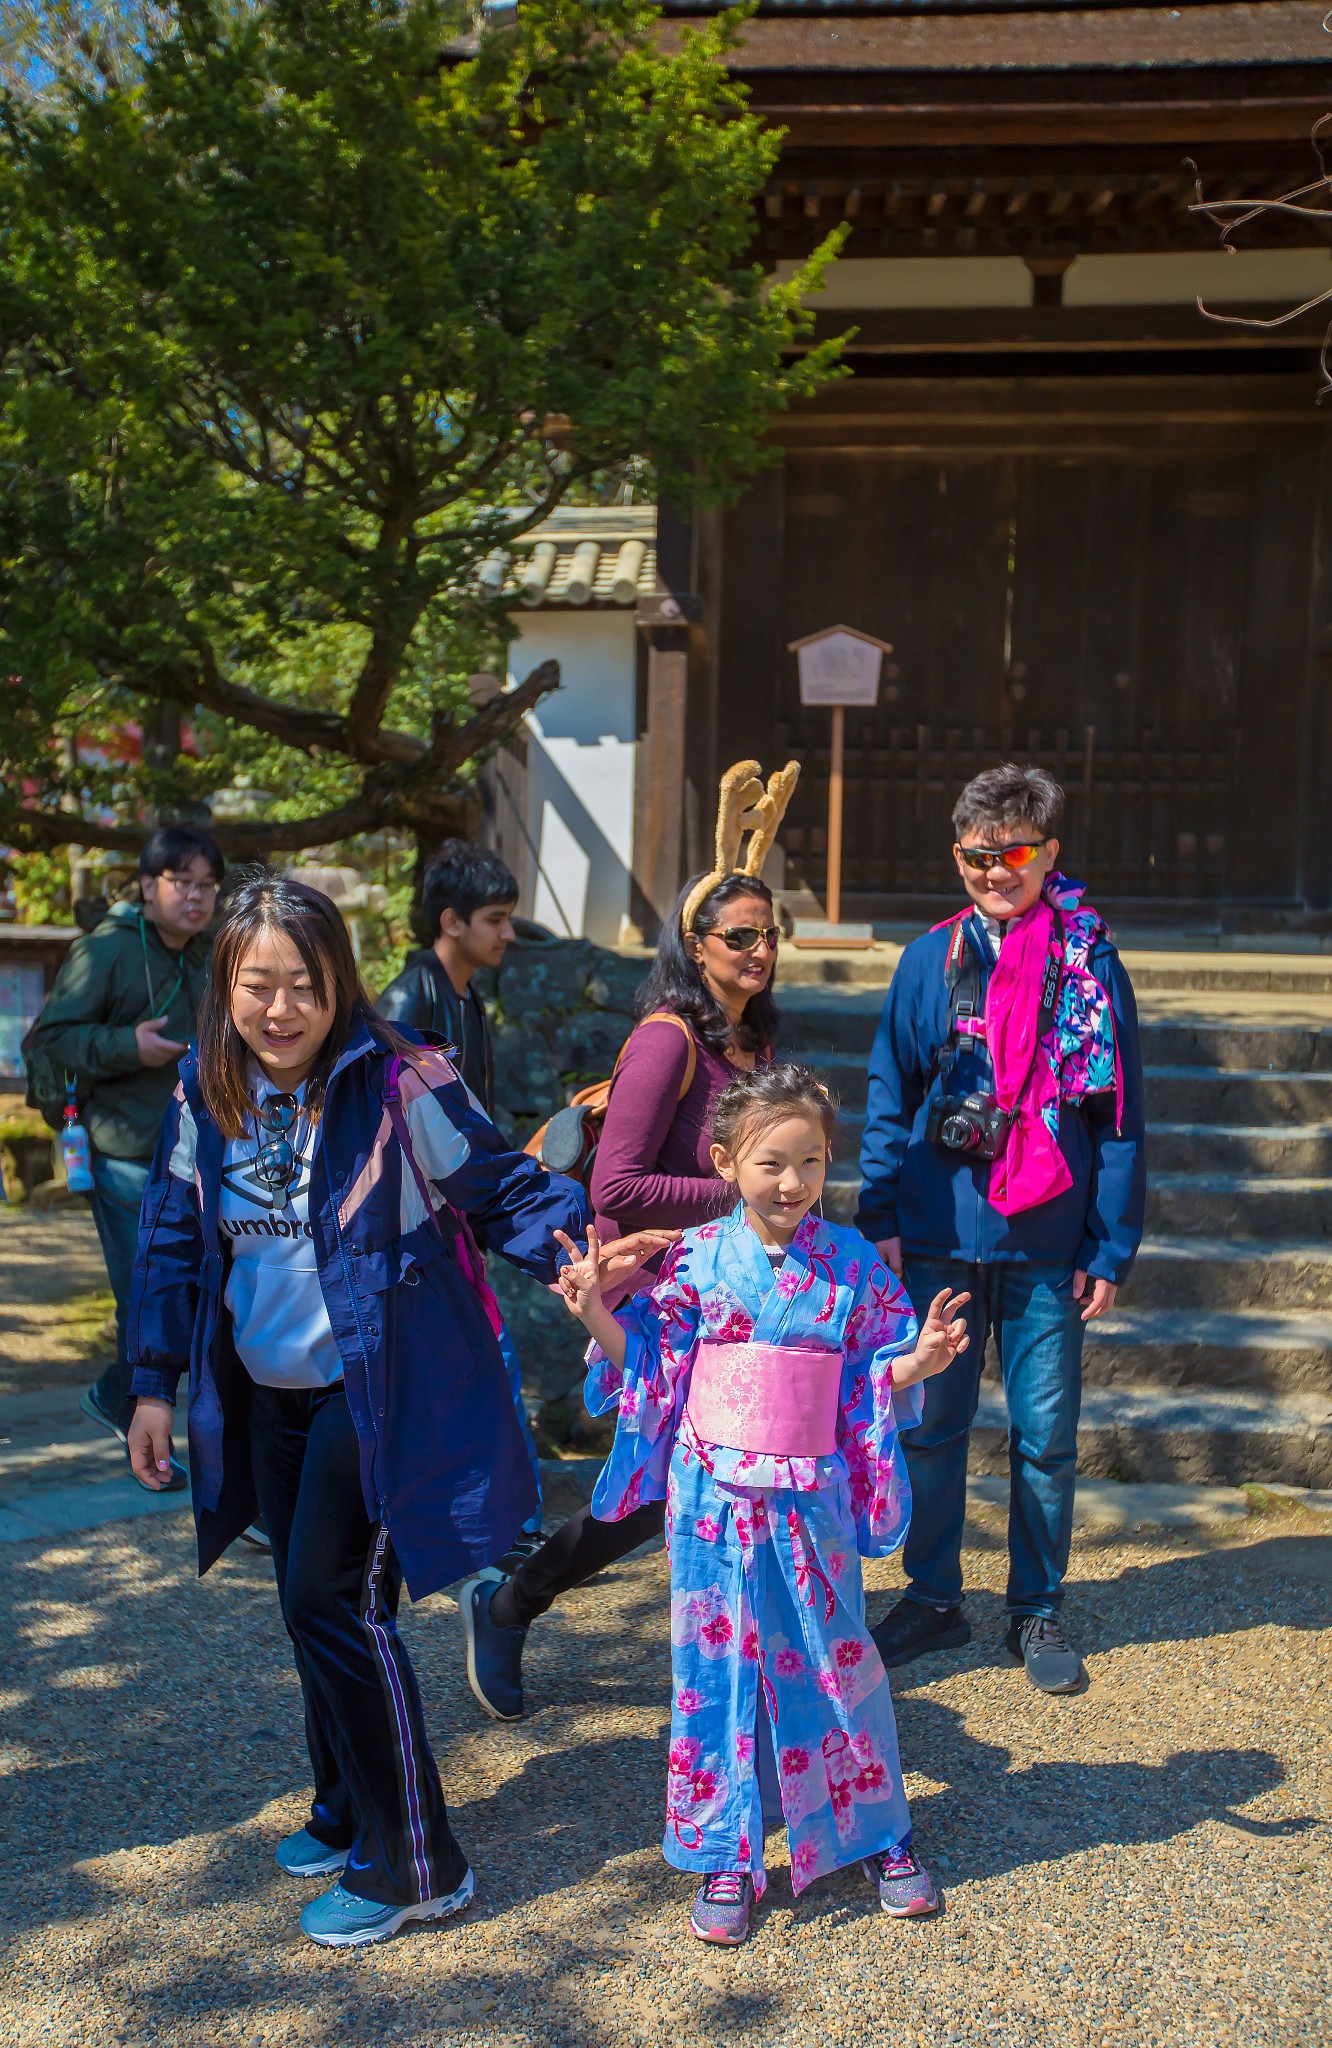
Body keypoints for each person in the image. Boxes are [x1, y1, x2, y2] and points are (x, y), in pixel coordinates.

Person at [124, 869, 635, 1948]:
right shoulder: (205, 1089)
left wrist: (579, 1257)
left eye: (302, 985)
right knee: (309, 1598)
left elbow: (502, 1184)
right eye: (255, 985)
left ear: (338, 985)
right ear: (225, 988)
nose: (278, 1010)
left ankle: (417, 1858)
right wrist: (150, 1383)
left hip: (378, 1380)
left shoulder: (399, 1076)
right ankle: (347, 1801)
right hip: (268, 1388)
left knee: (333, 1599)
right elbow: (172, 1232)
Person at [555, 1063, 970, 1944]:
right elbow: (653, 1365)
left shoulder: (852, 1263)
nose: (793, 1183)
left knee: (836, 1658)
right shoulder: (697, 1259)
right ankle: (728, 1852)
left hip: (810, 1492)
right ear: (723, 1163)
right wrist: (596, 1310)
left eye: (812, 1162)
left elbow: (868, 1377)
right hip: (712, 1500)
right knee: (717, 1676)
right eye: (771, 1163)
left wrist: (917, 1361)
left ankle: (879, 1831)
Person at [459, 857, 786, 1722]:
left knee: (728, 1481)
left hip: (737, 1291)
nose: (759, 950)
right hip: (656, 1296)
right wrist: (746, 1191)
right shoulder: (666, 1039)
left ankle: (749, 1668)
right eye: (740, 936)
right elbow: (618, 1187)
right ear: (695, 943)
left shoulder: (754, 1041)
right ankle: (509, 1605)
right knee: (653, 1496)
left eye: (769, 935)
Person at [855, 764, 1146, 1696]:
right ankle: (934, 1598)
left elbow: (1121, 1115)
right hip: (939, 1227)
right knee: (932, 1429)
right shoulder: (925, 959)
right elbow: (889, 1093)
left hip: (1047, 1237)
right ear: (959, 856)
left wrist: (1110, 1243)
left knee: (1045, 1435)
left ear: (1049, 853)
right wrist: (880, 1214)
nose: (995, 872)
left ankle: (1036, 1606)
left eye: (1013, 854)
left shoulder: (1088, 964)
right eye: (978, 857)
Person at [25, 824, 223, 1486]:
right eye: (182, 883)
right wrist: (126, 1048)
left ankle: (119, 1394)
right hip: (121, 1147)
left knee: (193, 1289)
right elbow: (49, 1040)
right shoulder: (105, 951)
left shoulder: (206, 953)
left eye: (207, 886)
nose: (196, 898)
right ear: (147, 886)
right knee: (149, 1291)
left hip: (190, 1148)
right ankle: (148, 1433)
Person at [376, 840, 542, 1554]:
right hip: (416, 1224)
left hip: (452, 1217)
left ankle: (504, 1523)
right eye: (496, 918)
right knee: (480, 1360)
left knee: (476, 1362)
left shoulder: (465, 996)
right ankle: (506, 1525)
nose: (508, 933)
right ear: (451, 921)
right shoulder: (405, 1002)